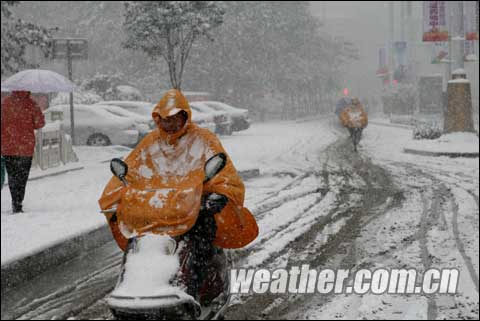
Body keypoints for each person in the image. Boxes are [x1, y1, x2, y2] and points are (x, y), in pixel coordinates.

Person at [99, 89, 258, 301]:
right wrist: (118, 196)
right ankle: (132, 285)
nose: (169, 124)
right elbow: (133, 171)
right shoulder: (151, 144)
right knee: (135, 241)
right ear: (157, 119)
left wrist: (219, 194)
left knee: (200, 241)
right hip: (156, 213)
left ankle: (201, 292)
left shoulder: (203, 140)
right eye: (164, 119)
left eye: (174, 118)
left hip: (192, 209)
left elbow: (224, 173)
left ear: (185, 115)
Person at [1, 91, 45, 213]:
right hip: (25, 148)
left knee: (12, 175)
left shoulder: (5, 103)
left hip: (8, 147)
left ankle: (14, 200)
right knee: (22, 176)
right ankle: (18, 203)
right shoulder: (31, 104)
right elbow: (39, 124)